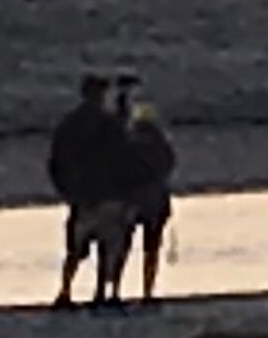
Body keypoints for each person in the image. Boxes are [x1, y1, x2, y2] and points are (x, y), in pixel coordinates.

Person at [46, 68, 133, 312]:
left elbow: (56, 161)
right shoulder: (108, 125)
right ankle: (103, 293)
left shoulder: (69, 125)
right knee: (109, 247)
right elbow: (124, 155)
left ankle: (66, 292)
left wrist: (67, 191)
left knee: (75, 250)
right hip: (106, 194)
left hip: (82, 197)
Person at [120, 86, 180, 306]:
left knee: (123, 245)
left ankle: (115, 289)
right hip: (155, 201)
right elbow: (169, 166)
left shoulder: (129, 145)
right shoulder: (162, 146)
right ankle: (147, 291)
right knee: (151, 248)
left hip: (133, 200)